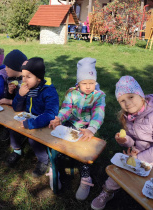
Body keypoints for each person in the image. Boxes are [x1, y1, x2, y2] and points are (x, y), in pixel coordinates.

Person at [91, 76, 153, 210]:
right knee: (119, 171)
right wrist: (125, 141)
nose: (127, 103)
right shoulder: (129, 116)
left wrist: (139, 159)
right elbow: (132, 139)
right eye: (122, 100)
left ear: (140, 95)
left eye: (131, 97)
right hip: (137, 154)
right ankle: (107, 192)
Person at [49, 57, 106, 200]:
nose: (88, 86)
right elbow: (66, 109)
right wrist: (59, 118)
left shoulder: (98, 96)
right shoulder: (72, 93)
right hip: (72, 123)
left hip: (87, 128)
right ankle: (54, 168)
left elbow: (98, 114)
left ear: (95, 82)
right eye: (84, 83)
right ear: (78, 83)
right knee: (57, 141)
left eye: (91, 83)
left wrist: (92, 129)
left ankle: (86, 178)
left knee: (84, 151)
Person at [5, 57, 60, 178]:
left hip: (45, 123)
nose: (24, 80)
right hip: (29, 118)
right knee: (12, 127)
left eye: (28, 77)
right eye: (23, 76)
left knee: (32, 138)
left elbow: (51, 113)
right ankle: (17, 150)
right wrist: (19, 96)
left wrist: (31, 124)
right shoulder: (26, 88)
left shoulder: (48, 91)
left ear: (39, 78)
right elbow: (16, 108)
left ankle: (44, 160)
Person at [0, 49, 27, 141]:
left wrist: (9, 101)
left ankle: (20, 134)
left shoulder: (26, 81)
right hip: (14, 106)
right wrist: (10, 93)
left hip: (25, 110)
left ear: (16, 67)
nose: (5, 68)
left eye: (7, 66)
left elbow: (27, 103)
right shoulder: (9, 78)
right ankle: (7, 127)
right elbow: (7, 96)